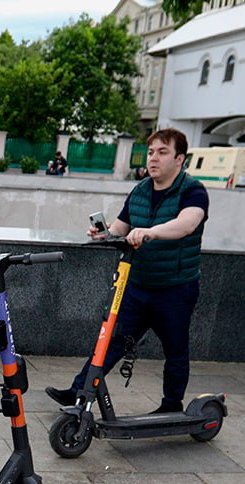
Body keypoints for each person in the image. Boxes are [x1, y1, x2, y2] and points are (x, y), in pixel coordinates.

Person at [45, 128, 209, 415]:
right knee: (111, 341)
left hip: (175, 288)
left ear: (179, 159)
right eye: (150, 152)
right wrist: (103, 234)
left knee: (176, 350)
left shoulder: (193, 190)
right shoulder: (141, 189)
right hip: (137, 286)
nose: (153, 159)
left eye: (162, 152)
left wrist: (151, 232)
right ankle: (78, 392)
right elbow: (121, 227)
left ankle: (171, 407)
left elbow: (188, 224)